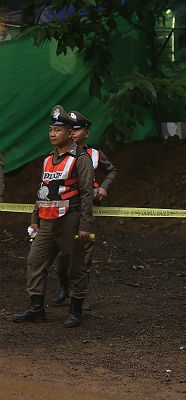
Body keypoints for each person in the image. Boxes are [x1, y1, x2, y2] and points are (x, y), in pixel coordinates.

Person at [11, 105, 94, 327]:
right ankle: (36, 308)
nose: (52, 134)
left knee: (75, 266)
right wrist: (34, 219)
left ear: (69, 133)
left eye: (57, 130)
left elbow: (87, 194)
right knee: (35, 261)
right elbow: (42, 190)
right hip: (47, 222)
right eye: (50, 130)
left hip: (70, 221)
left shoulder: (81, 158)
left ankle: (75, 310)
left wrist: (85, 226)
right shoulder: (48, 158)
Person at [50, 110, 117, 311]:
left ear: (86, 133)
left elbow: (112, 170)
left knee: (85, 252)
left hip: (86, 209)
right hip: (65, 209)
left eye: (77, 130)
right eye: (71, 130)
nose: (73, 133)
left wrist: (104, 186)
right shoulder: (59, 153)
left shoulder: (95, 154)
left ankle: (79, 295)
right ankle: (64, 288)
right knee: (63, 253)